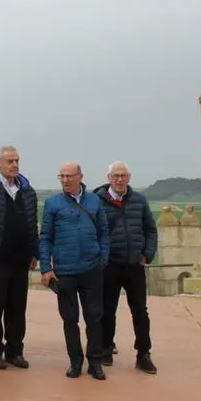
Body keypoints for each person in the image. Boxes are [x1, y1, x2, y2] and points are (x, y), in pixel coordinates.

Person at [39, 162, 110, 380]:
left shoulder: (94, 200)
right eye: (61, 176)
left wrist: (102, 258)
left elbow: (104, 232)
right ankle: (75, 362)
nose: (65, 180)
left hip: (91, 269)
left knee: (94, 318)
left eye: (69, 176)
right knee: (70, 319)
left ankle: (95, 362)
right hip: (65, 271)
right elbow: (46, 237)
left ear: (80, 176)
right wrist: (46, 268)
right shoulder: (53, 203)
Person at [0, 146, 38, 369]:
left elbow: (32, 224)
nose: (14, 165)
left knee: (17, 307)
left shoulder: (27, 190)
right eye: (9, 161)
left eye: (16, 161)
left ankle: (15, 351)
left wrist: (34, 252)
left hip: (20, 259)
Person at [93, 162, 158, 375]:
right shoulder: (97, 201)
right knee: (107, 309)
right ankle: (105, 349)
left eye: (123, 176)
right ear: (108, 177)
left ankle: (143, 354)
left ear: (129, 177)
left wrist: (147, 254)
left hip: (134, 264)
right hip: (109, 264)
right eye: (115, 176)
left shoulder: (139, 200)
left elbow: (150, 229)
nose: (119, 180)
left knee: (140, 310)